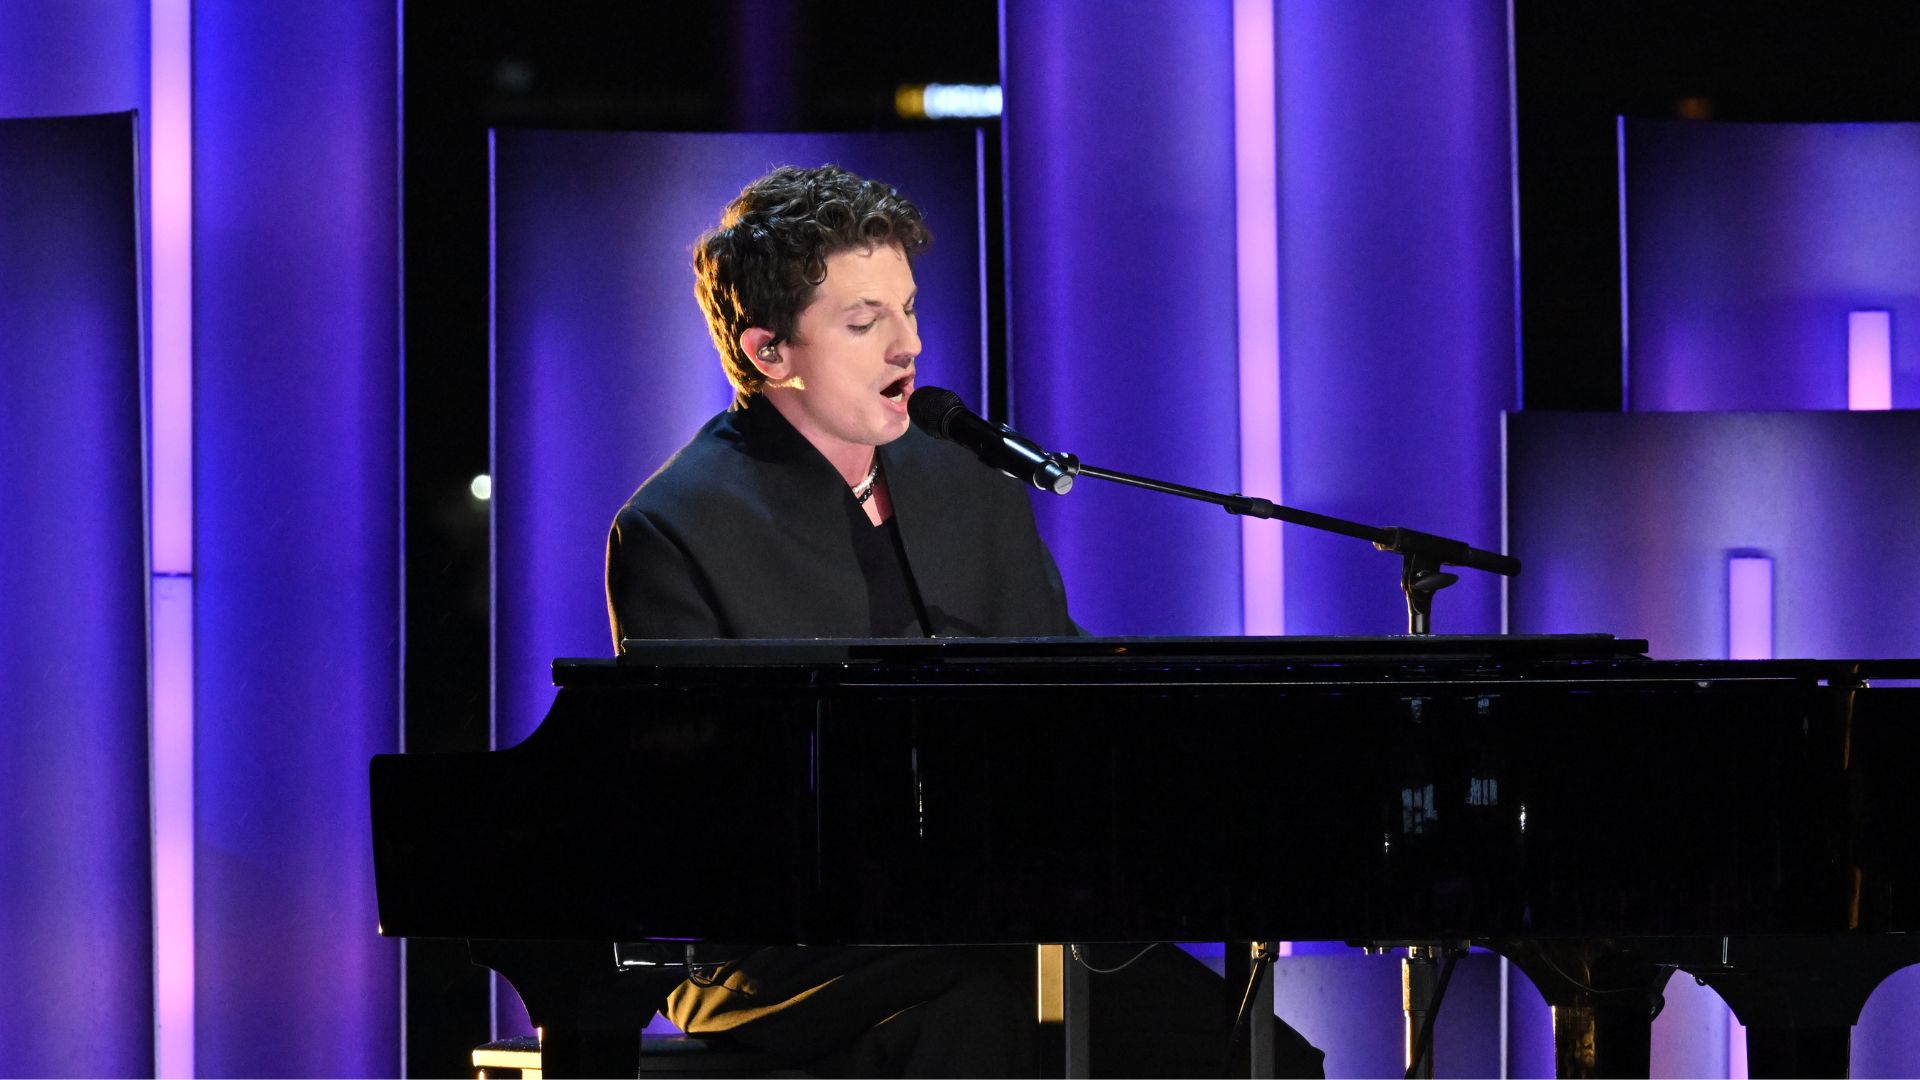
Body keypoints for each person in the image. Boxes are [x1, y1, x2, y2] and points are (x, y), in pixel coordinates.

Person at [605, 164, 1323, 1077]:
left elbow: (1064, 689)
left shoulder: (966, 477)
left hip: (995, 914)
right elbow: (707, 811)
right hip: (784, 947)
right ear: (768, 351)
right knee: (987, 1021)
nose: (908, 345)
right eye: (864, 322)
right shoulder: (675, 524)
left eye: (907, 309)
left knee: (1258, 1056)